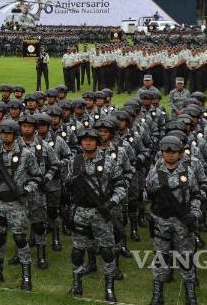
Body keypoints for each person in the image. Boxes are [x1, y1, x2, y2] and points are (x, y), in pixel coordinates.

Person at [64, 127, 125, 303]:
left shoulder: (109, 162)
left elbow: (121, 186)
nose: (87, 142)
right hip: (80, 211)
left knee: (106, 251)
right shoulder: (74, 161)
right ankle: (77, 284)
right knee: (77, 250)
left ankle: (109, 287)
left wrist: (112, 203)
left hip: (101, 211)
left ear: (98, 142)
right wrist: (70, 182)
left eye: (91, 140)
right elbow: (67, 185)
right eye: (84, 140)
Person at [0, 119, 42, 289]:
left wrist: (27, 190)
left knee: (20, 239)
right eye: (3, 133)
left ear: (15, 135)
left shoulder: (26, 153)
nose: (5, 136)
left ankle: (26, 276)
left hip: (16, 203)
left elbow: (37, 176)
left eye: (8, 133)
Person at [145, 135, 202, 305]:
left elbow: (196, 195)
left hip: (182, 223)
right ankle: (157, 293)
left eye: (174, 152)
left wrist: (194, 213)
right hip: (161, 221)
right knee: (161, 258)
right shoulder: (154, 172)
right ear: (162, 153)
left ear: (180, 154)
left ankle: (190, 294)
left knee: (185, 259)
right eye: (166, 152)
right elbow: (145, 194)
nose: (170, 155)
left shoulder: (187, 172)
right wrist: (152, 193)